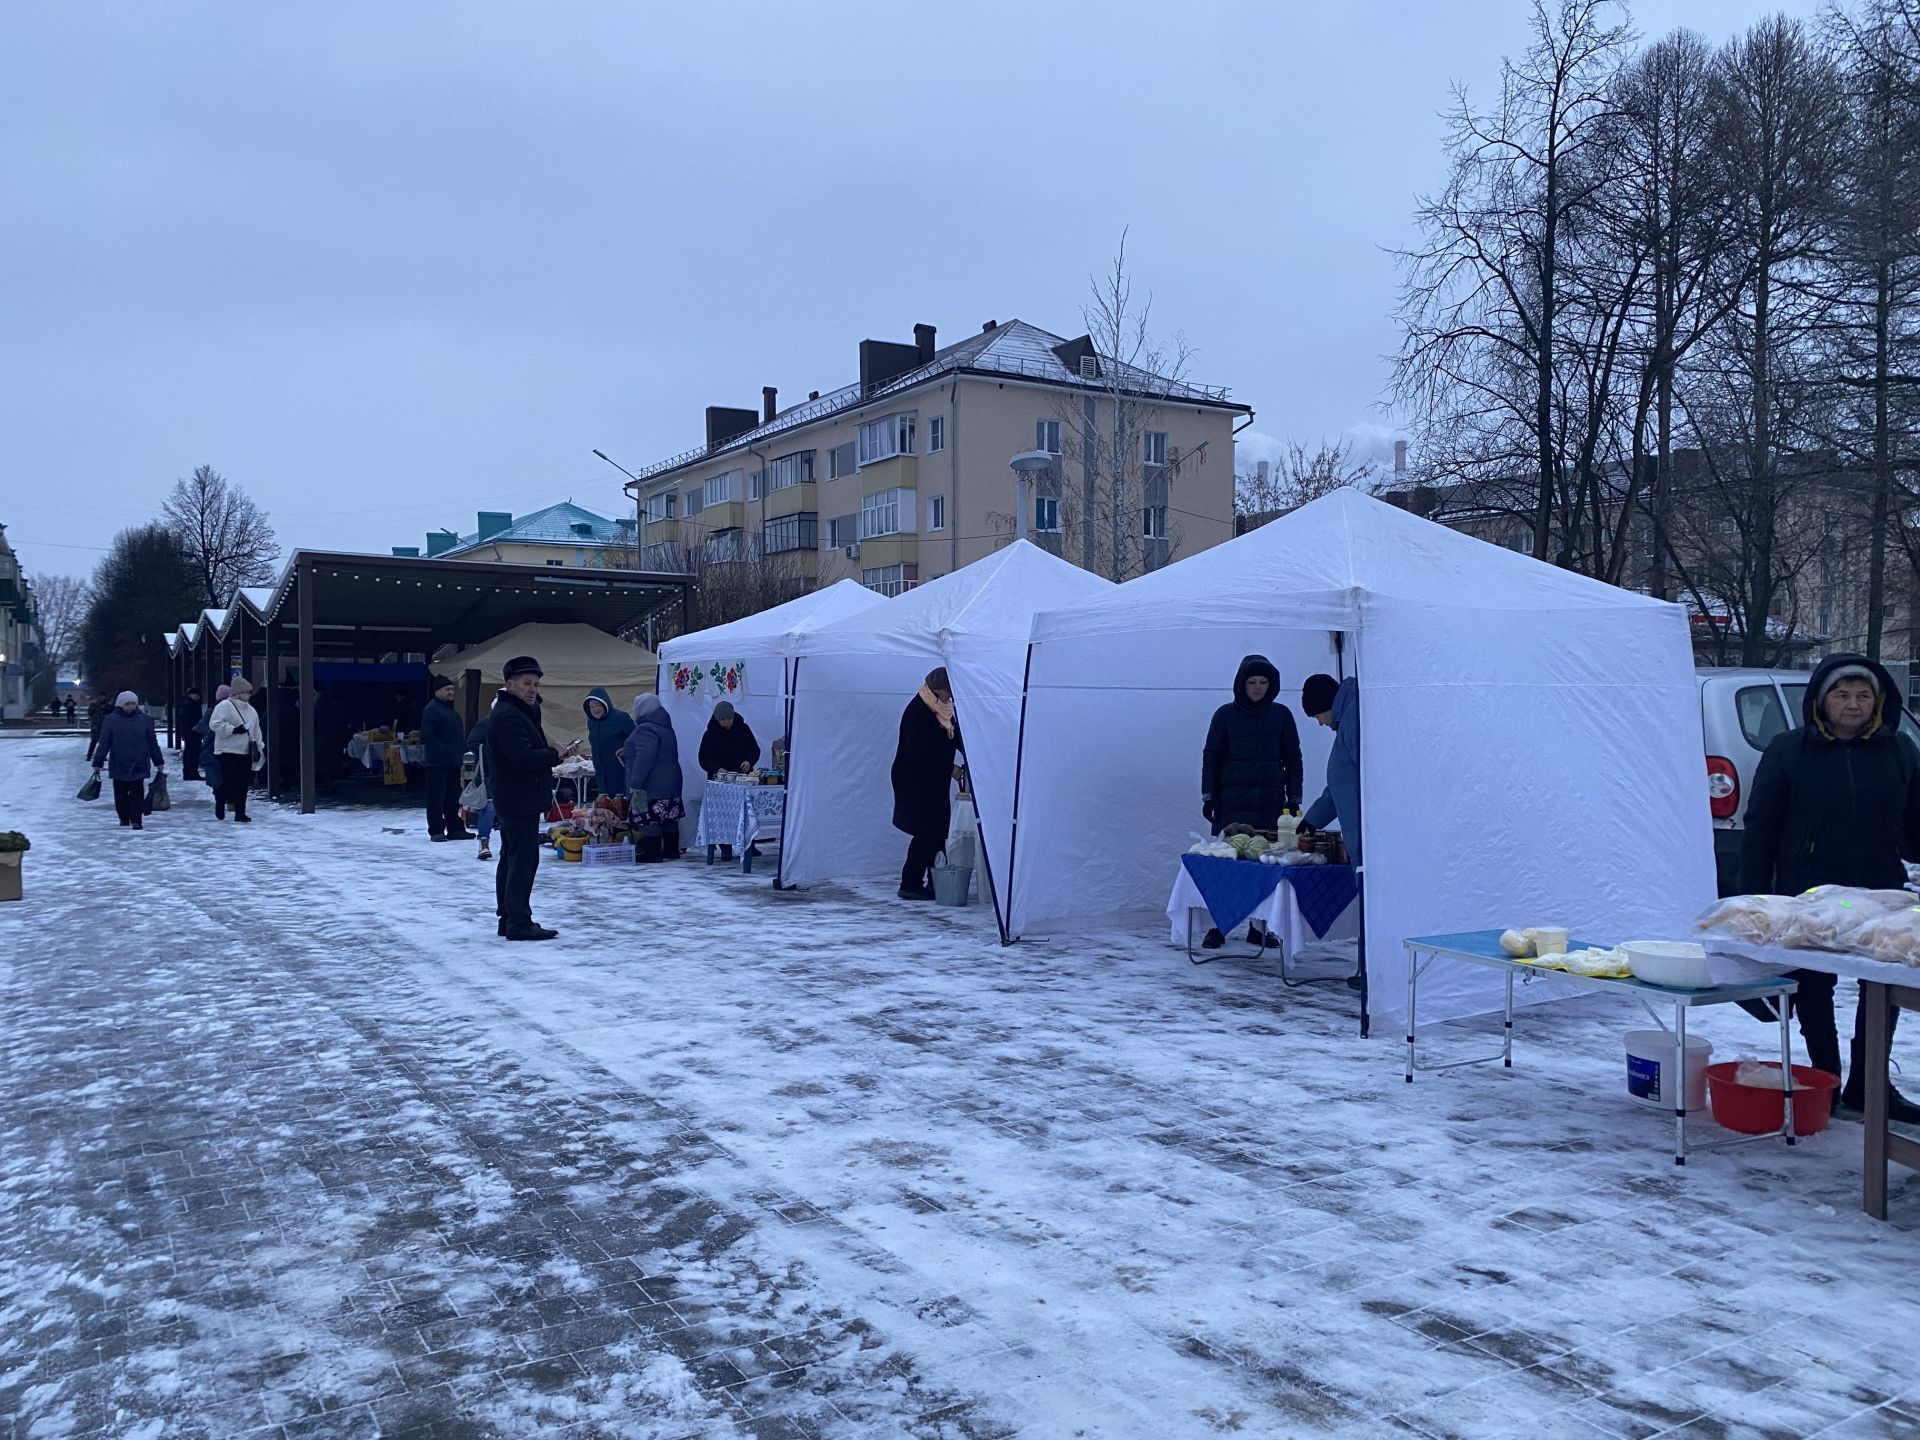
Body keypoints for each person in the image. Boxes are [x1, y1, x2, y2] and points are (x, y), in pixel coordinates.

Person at [1740, 653, 1920, 1122]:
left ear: (1878, 701)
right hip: (1809, 891)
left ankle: (1869, 1085)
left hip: (1881, 892)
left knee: (1881, 987)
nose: (1853, 704)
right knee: (1813, 987)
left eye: (1863, 695)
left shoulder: (1899, 750)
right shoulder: (1787, 749)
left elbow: (1917, 821)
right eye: (1842, 694)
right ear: (1821, 700)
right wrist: (1752, 899)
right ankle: (1826, 1080)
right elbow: (1760, 827)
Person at [1198, 655, 1304, 949]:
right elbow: (1211, 756)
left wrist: (1294, 798)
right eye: (1252, 682)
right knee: (1227, 870)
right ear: (1241, 683)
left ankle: (1259, 928)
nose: (1257, 687)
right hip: (1231, 803)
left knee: (1265, 868)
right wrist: (1209, 797)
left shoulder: (1281, 715)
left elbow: (1293, 759)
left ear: (1272, 685)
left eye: (1263, 682)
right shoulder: (1225, 715)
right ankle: (1218, 927)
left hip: (1269, 804)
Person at [485, 655, 581, 940]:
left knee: (513, 859)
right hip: (518, 798)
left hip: (517, 797)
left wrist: (551, 748)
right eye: (526, 683)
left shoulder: (519, 711)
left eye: (536, 684)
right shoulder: (508, 715)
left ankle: (510, 918)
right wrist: (556, 754)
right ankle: (518, 922)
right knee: (522, 861)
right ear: (509, 684)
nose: (532, 689)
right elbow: (522, 758)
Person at [891, 667, 962, 901]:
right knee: (926, 831)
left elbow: (955, 736)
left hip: (932, 779)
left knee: (937, 829)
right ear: (936, 688)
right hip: (914, 780)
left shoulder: (943, 709)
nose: (950, 697)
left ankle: (937, 881)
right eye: (947, 691)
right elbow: (919, 752)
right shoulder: (918, 711)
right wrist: (949, 768)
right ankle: (910, 883)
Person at [622, 694, 685, 861]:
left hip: (652, 785)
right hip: (671, 782)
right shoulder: (665, 726)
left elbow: (645, 759)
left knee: (649, 818)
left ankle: (652, 853)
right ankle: (672, 850)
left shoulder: (645, 728)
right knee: (669, 817)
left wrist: (635, 784)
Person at [89, 692, 165, 830]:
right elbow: (104, 743)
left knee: (137, 792)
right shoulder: (111, 720)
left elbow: (152, 742)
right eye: (127, 704)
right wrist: (98, 762)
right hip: (119, 761)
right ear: (120, 705)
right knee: (120, 793)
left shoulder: (145, 720)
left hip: (139, 761)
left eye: (133, 703)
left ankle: (136, 819)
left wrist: (158, 761)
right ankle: (124, 817)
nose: (130, 706)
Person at [699, 700, 762, 860]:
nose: (726, 722)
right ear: (717, 719)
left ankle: (749, 845)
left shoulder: (743, 729)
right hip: (720, 781)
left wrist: (749, 761)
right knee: (723, 815)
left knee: (747, 813)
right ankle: (725, 847)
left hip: (742, 778)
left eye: (729, 718)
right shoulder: (710, 734)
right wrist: (716, 769)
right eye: (723, 720)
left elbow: (754, 749)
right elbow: (704, 758)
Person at [420, 674, 471, 842]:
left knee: (453, 797)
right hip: (437, 763)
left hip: (452, 762)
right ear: (437, 691)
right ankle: (436, 830)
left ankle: (455, 828)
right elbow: (428, 736)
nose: (450, 692)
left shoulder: (449, 710)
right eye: (447, 689)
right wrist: (444, 751)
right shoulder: (431, 710)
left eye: (452, 689)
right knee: (436, 798)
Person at [207, 677, 265, 822]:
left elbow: (256, 730)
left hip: (245, 751)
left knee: (242, 784)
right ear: (238, 693)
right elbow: (214, 724)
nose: (249, 695)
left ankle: (240, 812)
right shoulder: (224, 706)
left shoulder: (251, 710)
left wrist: (259, 746)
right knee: (229, 782)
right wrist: (233, 730)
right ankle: (221, 799)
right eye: (247, 692)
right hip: (227, 751)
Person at [583, 687, 633, 800]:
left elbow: (637, 738)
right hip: (602, 776)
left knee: (622, 810)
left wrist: (626, 751)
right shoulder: (591, 722)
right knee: (606, 813)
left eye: (598, 705)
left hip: (621, 773)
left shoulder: (620, 718)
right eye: (591, 707)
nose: (595, 709)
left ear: (605, 704)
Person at [465, 712, 495, 862]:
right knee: (489, 807)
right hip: (488, 773)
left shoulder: (519, 721)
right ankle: (484, 842)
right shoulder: (486, 722)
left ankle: (510, 846)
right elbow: (472, 742)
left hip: (511, 773)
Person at [175, 686, 205, 781]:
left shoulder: (185, 703)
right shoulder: (189, 704)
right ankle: (192, 773)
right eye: (197, 695)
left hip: (189, 732)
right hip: (192, 733)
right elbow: (186, 719)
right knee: (192, 753)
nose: (198, 698)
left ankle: (189, 773)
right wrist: (193, 727)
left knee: (189, 753)